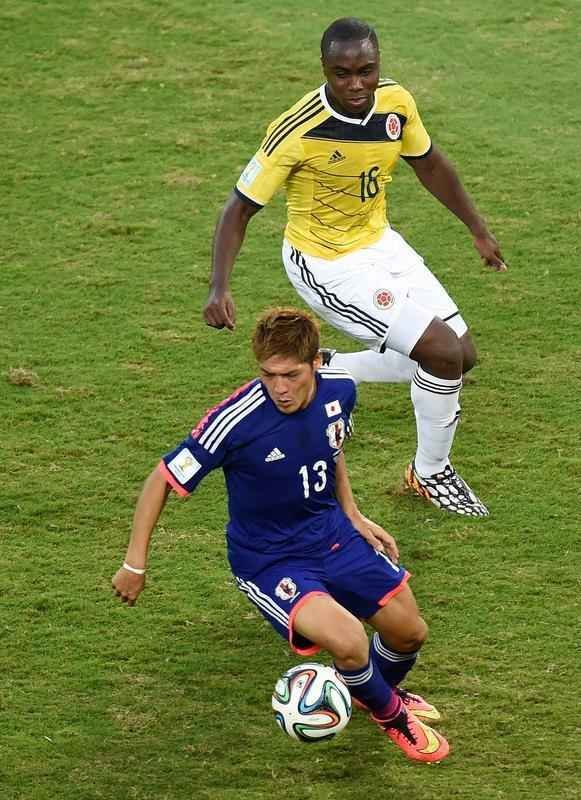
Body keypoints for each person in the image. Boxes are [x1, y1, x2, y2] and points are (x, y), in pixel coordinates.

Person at [112, 307, 450, 763]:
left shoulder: (342, 390)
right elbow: (162, 478)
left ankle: (372, 694)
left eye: (290, 374)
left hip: (332, 535)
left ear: (315, 364)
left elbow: (332, 448)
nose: (279, 388)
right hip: (271, 561)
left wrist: (352, 513)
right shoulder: (235, 420)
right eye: (268, 375)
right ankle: (394, 719)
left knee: (409, 632)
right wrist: (135, 563)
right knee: (349, 640)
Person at [203, 17, 508, 518]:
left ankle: (328, 368)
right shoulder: (296, 130)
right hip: (325, 263)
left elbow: (429, 162)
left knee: (461, 355)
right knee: (441, 355)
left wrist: (476, 227)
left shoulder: (396, 103)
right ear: (324, 68)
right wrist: (219, 287)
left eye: (366, 70)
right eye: (342, 73)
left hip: (380, 244)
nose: (356, 84)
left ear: (379, 63)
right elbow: (239, 207)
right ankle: (430, 474)